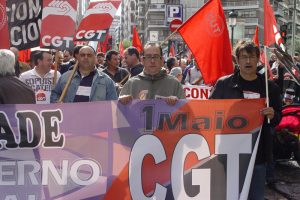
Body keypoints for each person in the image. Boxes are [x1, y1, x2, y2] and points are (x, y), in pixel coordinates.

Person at [209, 40, 282, 200]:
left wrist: (272, 115)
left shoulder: (271, 88)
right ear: (237, 60)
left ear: (258, 59)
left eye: (251, 57)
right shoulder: (224, 85)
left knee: (255, 196)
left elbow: (278, 119)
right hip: (229, 153)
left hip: (258, 154)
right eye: (243, 57)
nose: (248, 61)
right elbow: (210, 112)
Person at [119, 42, 185, 105]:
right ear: (142, 60)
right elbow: (119, 114)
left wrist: (178, 103)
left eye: (156, 57)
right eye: (148, 57)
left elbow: (186, 111)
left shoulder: (174, 84)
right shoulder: (131, 84)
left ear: (162, 60)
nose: (152, 61)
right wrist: (121, 103)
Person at [50, 45, 117, 103]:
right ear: (78, 58)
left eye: (89, 55)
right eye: (82, 55)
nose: (85, 57)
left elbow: (112, 104)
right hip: (70, 117)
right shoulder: (65, 77)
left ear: (94, 58)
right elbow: (55, 94)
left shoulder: (106, 81)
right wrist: (56, 102)